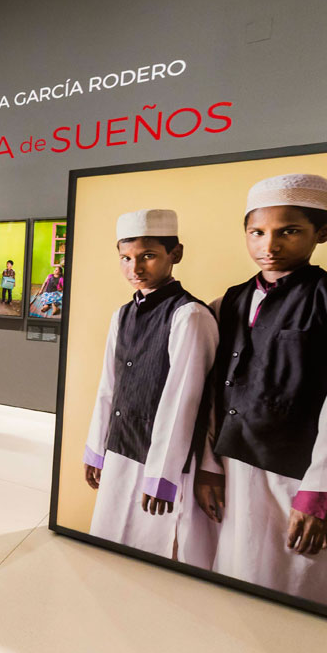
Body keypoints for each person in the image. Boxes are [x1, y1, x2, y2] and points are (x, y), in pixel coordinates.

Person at [194, 174, 327, 611]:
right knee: (229, 585)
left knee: (293, 591)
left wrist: (320, 498)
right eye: (257, 232)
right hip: (232, 472)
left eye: (289, 231)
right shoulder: (229, 303)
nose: (270, 245)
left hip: (296, 481)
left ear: (323, 232)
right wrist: (208, 467)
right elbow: (212, 395)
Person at [83, 209, 218, 559]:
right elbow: (108, 387)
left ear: (175, 255)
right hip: (121, 448)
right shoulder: (122, 315)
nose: (135, 269)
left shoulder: (190, 316)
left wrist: (162, 475)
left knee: (152, 550)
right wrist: (96, 449)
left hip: (161, 459)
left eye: (148, 256)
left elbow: (184, 401)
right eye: (125, 259)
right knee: (110, 542)